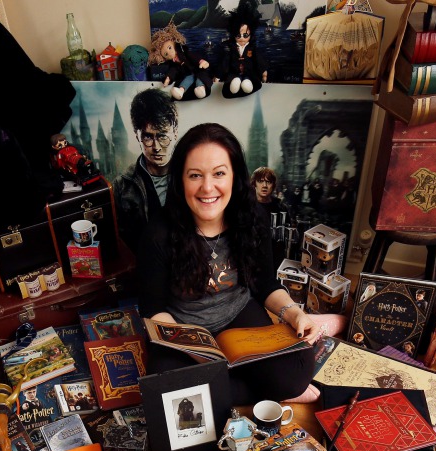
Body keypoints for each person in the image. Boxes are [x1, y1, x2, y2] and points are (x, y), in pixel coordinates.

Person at [139, 123, 343, 405]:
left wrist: (294, 313)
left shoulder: (253, 217)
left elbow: (264, 284)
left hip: (238, 316)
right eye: (195, 175)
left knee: (294, 374)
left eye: (219, 173)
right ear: (180, 180)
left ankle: (247, 387)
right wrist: (201, 352)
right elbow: (153, 309)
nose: (207, 187)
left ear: (234, 176)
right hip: (182, 329)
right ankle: (263, 389)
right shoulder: (157, 232)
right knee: (166, 391)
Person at [115, 88, 178, 252]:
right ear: (137, 136)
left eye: (163, 136)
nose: (156, 147)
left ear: (175, 132)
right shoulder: (122, 186)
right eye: (148, 137)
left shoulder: (190, 174)